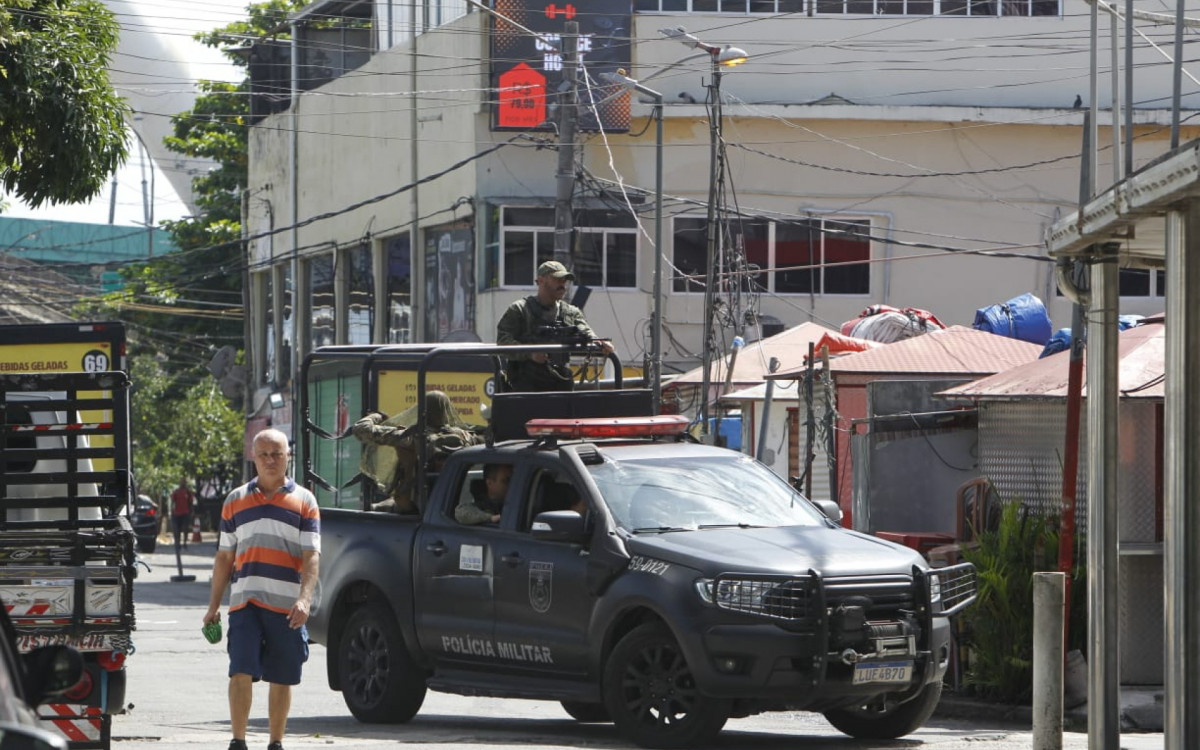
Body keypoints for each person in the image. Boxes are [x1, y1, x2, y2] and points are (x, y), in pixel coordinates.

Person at [203, 429, 320, 750]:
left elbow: (311, 556)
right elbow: (225, 557)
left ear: (287, 457)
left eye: (277, 454)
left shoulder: (305, 502)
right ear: (253, 458)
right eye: (264, 454)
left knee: (282, 676)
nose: (270, 460)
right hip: (245, 603)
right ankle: (238, 742)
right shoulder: (235, 500)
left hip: (287, 607)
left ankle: (276, 743)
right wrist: (213, 606)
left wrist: (305, 599)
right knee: (240, 670)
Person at [352, 391, 484, 514]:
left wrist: (376, 416)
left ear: (422, 410)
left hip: (415, 504)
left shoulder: (413, 437)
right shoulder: (466, 437)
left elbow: (360, 430)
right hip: (452, 502)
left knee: (374, 508)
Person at [496, 260, 614, 392]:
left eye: (564, 280)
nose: (562, 284)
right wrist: (530, 354)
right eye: (557, 279)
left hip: (558, 380)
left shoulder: (570, 312)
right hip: (525, 383)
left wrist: (599, 343)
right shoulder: (520, 310)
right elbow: (503, 342)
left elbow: (585, 331)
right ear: (541, 281)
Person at [170, 478, 195, 550]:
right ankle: (178, 543)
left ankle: (184, 543)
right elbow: (172, 501)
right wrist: (172, 511)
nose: (183, 484)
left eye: (184, 482)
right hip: (177, 513)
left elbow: (191, 502)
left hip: (185, 513)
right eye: (182, 482)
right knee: (177, 529)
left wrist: (192, 511)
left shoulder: (188, 492)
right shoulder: (176, 492)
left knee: (185, 528)